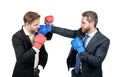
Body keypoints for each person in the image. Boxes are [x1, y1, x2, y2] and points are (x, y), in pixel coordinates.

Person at [45, 11, 110, 77]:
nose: (81, 25)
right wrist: (51, 28)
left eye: (83, 23)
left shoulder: (103, 40)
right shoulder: (81, 32)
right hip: (76, 74)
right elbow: (67, 32)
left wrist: (81, 51)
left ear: (91, 24)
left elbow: (97, 61)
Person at [12, 11, 53, 77]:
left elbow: (49, 37)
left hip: (35, 73)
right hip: (22, 74)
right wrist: (35, 48)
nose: (38, 26)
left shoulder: (37, 32)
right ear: (27, 24)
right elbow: (21, 59)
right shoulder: (17, 37)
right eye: (36, 24)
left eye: (38, 24)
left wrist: (49, 26)